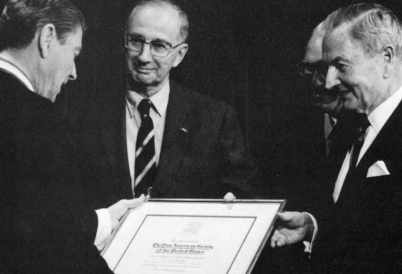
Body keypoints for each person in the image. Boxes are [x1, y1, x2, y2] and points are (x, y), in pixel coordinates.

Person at [0, 1, 144, 273]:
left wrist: (104, 219)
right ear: (47, 38)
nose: (74, 73)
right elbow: (58, 248)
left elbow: (29, 220)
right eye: (74, 54)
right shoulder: (39, 121)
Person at [77, 0, 257, 211]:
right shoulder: (85, 115)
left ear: (179, 55)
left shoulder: (216, 118)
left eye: (159, 46)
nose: (144, 57)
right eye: (136, 41)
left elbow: (241, 194)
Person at [271, 3, 402, 273]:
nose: (328, 82)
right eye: (327, 67)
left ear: (386, 59)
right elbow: (358, 229)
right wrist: (312, 227)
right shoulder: (350, 127)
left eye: (340, 65)